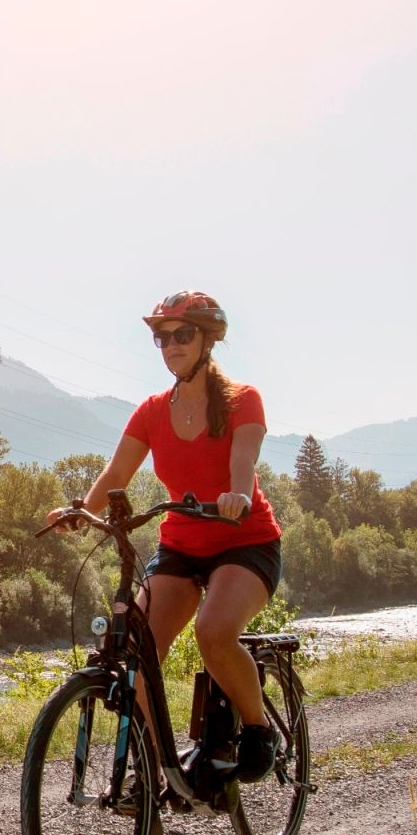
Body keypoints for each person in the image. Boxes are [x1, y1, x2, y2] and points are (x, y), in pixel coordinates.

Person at [47, 289, 283, 800]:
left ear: (207, 339)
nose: (170, 344)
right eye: (162, 336)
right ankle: (156, 769)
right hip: (181, 545)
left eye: (182, 334)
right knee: (135, 650)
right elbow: (116, 473)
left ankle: (257, 728)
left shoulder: (243, 400)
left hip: (245, 541)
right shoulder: (152, 412)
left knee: (214, 632)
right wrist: (81, 512)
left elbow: (244, 461)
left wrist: (237, 495)